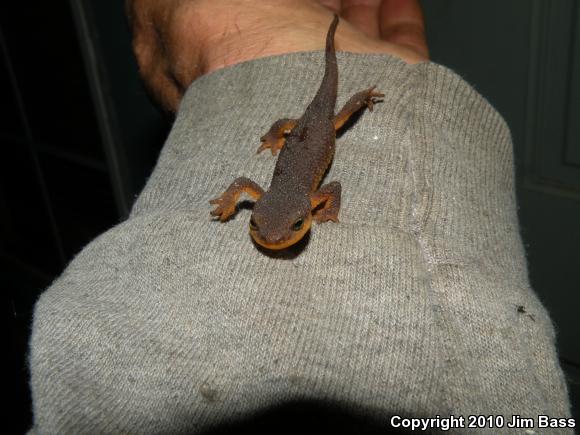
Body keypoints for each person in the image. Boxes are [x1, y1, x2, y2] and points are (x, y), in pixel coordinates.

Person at [28, 0, 572, 433]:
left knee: (330, 118)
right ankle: (299, 109)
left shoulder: (306, 202)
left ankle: (353, 93)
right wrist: (246, 177)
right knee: (299, 124)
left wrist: (331, 203)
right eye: (263, 227)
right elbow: (243, 186)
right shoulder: (266, 201)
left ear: (304, 216)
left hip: (319, 131)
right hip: (298, 142)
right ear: (261, 210)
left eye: (285, 230)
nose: (272, 238)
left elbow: (329, 183)